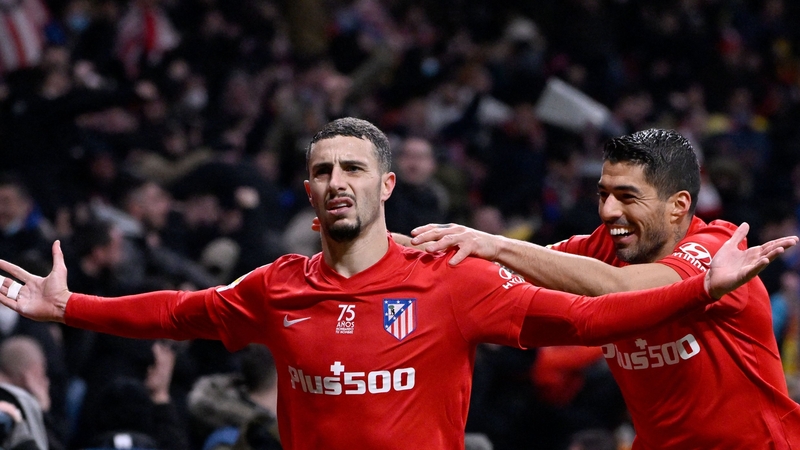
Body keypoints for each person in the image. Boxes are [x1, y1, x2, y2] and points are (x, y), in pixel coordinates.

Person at [0, 118, 795, 450]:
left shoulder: (714, 255)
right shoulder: (276, 286)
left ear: (387, 187)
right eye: (321, 171)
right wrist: (68, 305)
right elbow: (182, 311)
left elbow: (596, 315)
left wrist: (488, 245)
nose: (609, 210)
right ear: (306, 193)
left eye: (353, 168)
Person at [409, 128, 800, 449]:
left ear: (678, 205)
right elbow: (474, 260)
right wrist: (372, 245)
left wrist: (496, 242)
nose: (608, 211)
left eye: (627, 197)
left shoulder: (718, 250)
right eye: (603, 194)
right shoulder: (604, 246)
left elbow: (622, 287)